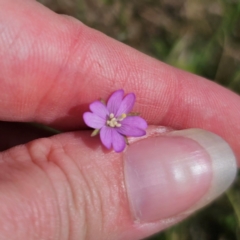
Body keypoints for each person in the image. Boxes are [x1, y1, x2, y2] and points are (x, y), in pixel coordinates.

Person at [0, 0, 239, 239]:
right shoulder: (104, 120)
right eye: (112, 120)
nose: (114, 121)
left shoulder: (116, 121)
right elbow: (101, 119)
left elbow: (116, 124)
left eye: (115, 120)